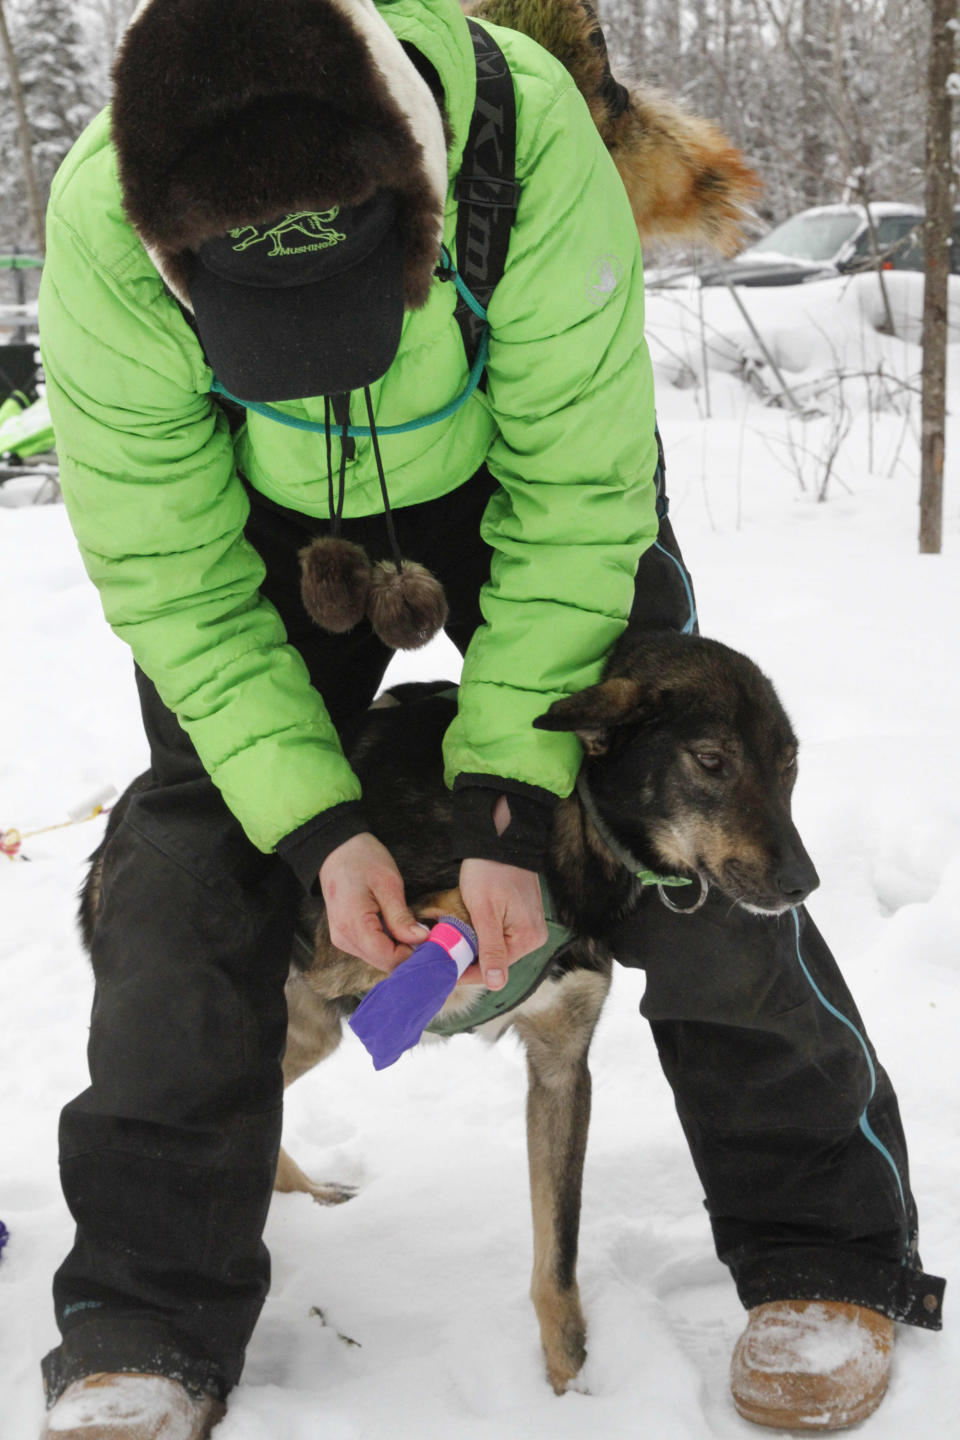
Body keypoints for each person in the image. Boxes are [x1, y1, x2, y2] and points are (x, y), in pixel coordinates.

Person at [37, 1, 942, 1436]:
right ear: (175, 253)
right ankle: (145, 1320)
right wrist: (324, 823)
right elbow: (182, 589)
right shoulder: (102, 233)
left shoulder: (518, 140)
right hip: (265, 522)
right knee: (190, 851)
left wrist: (513, 811)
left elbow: (581, 506)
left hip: (520, 476)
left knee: (672, 803)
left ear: (413, 188)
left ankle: (823, 1251)